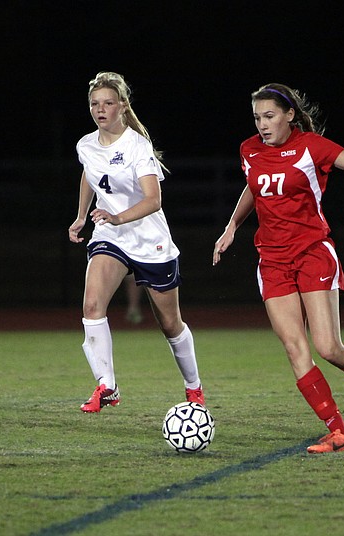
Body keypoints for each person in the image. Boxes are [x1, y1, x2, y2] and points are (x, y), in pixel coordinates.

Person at [213, 83, 344, 453]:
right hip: (272, 260)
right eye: (258, 117)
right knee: (294, 348)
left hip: (311, 253)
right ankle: (339, 431)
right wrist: (231, 228)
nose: (262, 124)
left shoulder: (311, 147)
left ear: (290, 115)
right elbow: (253, 187)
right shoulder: (249, 150)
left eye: (270, 116)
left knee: (328, 347)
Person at [69, 71, 204, 412]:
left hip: (148, 239)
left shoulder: (136, 146)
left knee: (170, 325)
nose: (100, 110)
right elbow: (89, 172)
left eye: (108, 104)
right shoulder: (86, 144)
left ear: (122, 107)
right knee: (91, 306)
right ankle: (107, 386)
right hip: (110, 237)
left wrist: (116, 216)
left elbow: (153, 200)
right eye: (94, 104)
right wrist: (82, 216)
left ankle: (194, 387)